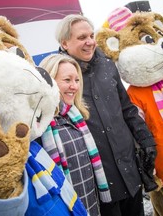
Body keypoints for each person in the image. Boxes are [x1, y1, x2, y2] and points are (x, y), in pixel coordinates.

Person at [55, 14, 158, 216]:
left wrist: (146, 139)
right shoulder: (59, 76)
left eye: (91, 35)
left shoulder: (107, 64)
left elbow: (126, 108)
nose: (90, 42)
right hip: (98, 176)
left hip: (129, 168)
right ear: (65, 43)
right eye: (82, 37)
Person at [38, 54, 111, 216]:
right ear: (48, 81)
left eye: (77, 80)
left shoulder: (75, 116)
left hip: (90, 205)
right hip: (66, 208)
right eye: (67, 80)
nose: (74, 86)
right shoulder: (40, 125)